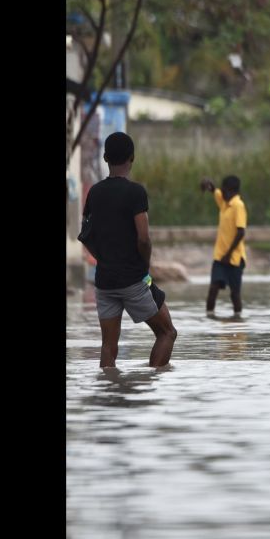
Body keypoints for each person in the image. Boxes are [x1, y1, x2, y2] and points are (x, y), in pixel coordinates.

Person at [81, 132, 177, 368]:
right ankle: (149, 385)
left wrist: (104, 259)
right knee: (167, 333)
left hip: (104, 281)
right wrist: (144, 268)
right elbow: (144, 239)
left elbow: (86, 236)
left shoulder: (94, 192)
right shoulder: (136, 192)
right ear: (132, 158)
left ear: (105, 158)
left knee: (108, 346)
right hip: (133, 279)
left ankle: (108, 391)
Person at [199, 175, 248, 317]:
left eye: (224, 189)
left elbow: (241, 232)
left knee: (235, 294)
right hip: (220, 257)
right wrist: (210, 186)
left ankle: (238, 320)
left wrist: (228, 254)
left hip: (235, 258)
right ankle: (209, 318)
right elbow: (216, 192)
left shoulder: (238, 206)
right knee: (213, 288)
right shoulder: (224, 204)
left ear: (231, 191)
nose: (222, 192)